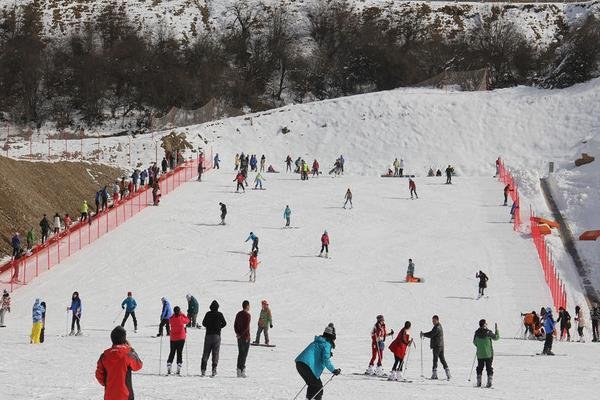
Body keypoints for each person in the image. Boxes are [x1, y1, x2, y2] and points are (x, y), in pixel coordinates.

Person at [295, 323, 341, 400]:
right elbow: (325, 359)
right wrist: (333, 370)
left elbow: (318, 353)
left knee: (313, 385)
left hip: (300, 363)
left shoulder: (319, 341)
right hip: (307, 365)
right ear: (332, 337)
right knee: (317, 386)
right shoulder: (326, 344)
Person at [96, 326, 143, 400]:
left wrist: (109, 384)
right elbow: (138, 365)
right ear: (124, 339)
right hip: (125, 395)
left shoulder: (105, 355)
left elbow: (99, 375)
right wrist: (131, 349)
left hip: (109, 395)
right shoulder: (128, 353)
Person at [201, 300, 227, 377]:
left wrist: (209, 327)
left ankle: (203, 369)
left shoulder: (208, 314)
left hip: (208, 335)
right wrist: (219, 327)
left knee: (206, 352)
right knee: (215, 353)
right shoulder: (220, 314)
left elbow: (203, 323)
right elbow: (224, 323)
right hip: (217, 336)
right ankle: (214, 369)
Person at [421, 315, 451, 380]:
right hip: (440, 345)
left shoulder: (437, 327)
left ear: (437, 320)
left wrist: (424, 334)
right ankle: (448, 373)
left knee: (435, 360)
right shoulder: (437, 326)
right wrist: (424, 334)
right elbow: (432, 333)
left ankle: (434, 374)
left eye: (434, 321)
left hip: (437, 346)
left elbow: (432, 334)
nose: (433, 322)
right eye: (432, 321)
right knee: (442, 359)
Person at [473, 319, 499, 388]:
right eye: (486, 323)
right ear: (484, 325)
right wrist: (496, 330)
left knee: (479, 368)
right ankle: (489, 382)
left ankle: (479, 381)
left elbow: (474, 342)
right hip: (488, 354)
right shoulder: (488, 332)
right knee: (489, 368)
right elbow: (496, 338)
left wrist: (480, 346)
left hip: (480, 354)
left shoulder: (477, 332)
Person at [166, 306, 189, 375]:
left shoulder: (172, 319)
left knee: (172, 352)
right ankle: (178, 367)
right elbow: (187, 320)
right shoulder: (181, 318)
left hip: (173, 338)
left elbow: (169, 320)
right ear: (179, 311)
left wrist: (174, 314)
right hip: (181, 338)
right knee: (179, 352)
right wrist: (182, 314)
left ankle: (169, 364)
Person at [234, 300, 252, 378]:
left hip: (239, 337)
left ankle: (238, 370)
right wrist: (240, 335)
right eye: (249, 305)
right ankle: (242, 370)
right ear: (247, 306)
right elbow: (246, 327)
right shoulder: (247, 315)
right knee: (244, 354)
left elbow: (235, 325)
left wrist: (237, 334)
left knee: (240, 353)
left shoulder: (238, 314)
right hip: (245, 337)